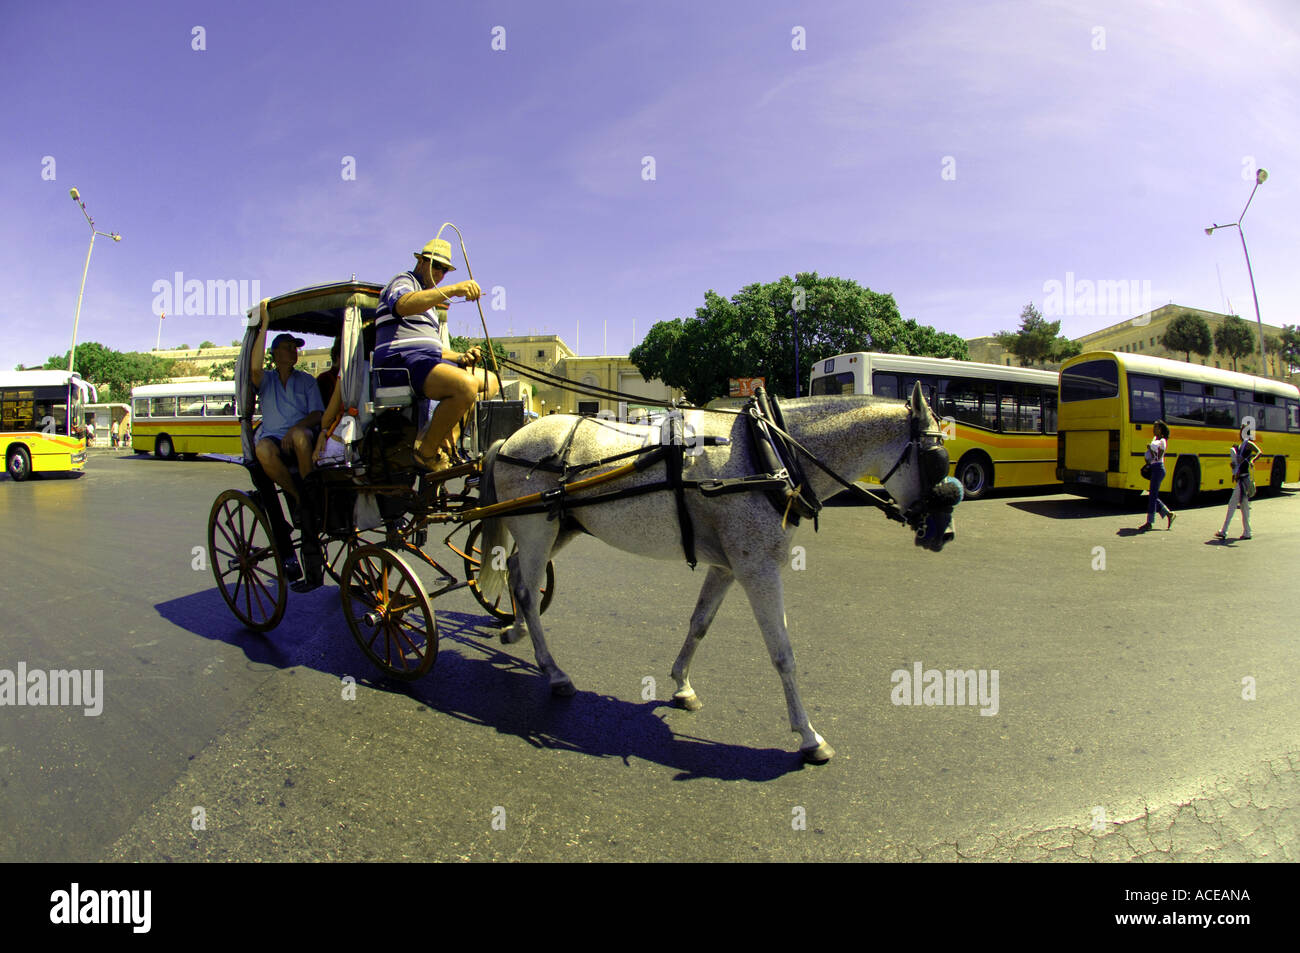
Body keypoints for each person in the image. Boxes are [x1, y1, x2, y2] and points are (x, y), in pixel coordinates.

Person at [372, 238, 500, 472]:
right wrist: (451, 290)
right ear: (421, 261)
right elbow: (402, 305)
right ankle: (426, 452)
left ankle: (445, 440)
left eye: (445, 270)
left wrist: (461, 357)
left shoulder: (429, 303)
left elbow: (436, 349)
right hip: (398, 363)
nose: (440, 273)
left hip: (426, 362)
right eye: (436, 266)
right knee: (465, 386)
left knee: (490, 381)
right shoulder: (403, 281)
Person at [250, 306, 324, 505]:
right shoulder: (267, 380)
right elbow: (255, 368)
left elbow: (317, 413)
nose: (294, 352)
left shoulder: (307, 380)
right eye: (288, 347)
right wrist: (264, 325)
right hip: (274, 438)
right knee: (262, 450)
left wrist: (296, 428)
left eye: (295, 348)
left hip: (302, 436)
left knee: (300, 436)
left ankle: (311, 491)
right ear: (275, 353)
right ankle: (297, 496)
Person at [1215, 425, 1261, 541]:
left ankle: (1224, 531)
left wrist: (1251, 460)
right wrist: (1234, 465)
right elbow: (1238, 462)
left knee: (1232, 505)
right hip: (1241, 478)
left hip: (1243, 479)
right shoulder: (1240, 445)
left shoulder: (1248, 443)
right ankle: (1247, 532)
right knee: (1244, 507)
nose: (1241, 433)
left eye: (1243, 431)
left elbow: (1259, 452)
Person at [1137, 419, 1174, 531]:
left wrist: (1150, 449)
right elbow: (1152, 458)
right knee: (1152, 495)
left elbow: (1157, 457)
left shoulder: (1162, 441)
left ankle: (1150, 522)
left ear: (1161, 429)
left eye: (1156, 427)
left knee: (1152, 496)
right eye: (1154, 427)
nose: (1154, 429)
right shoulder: (1155, 439)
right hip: (1154, 468)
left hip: (1158, 469)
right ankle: (1168, 514)